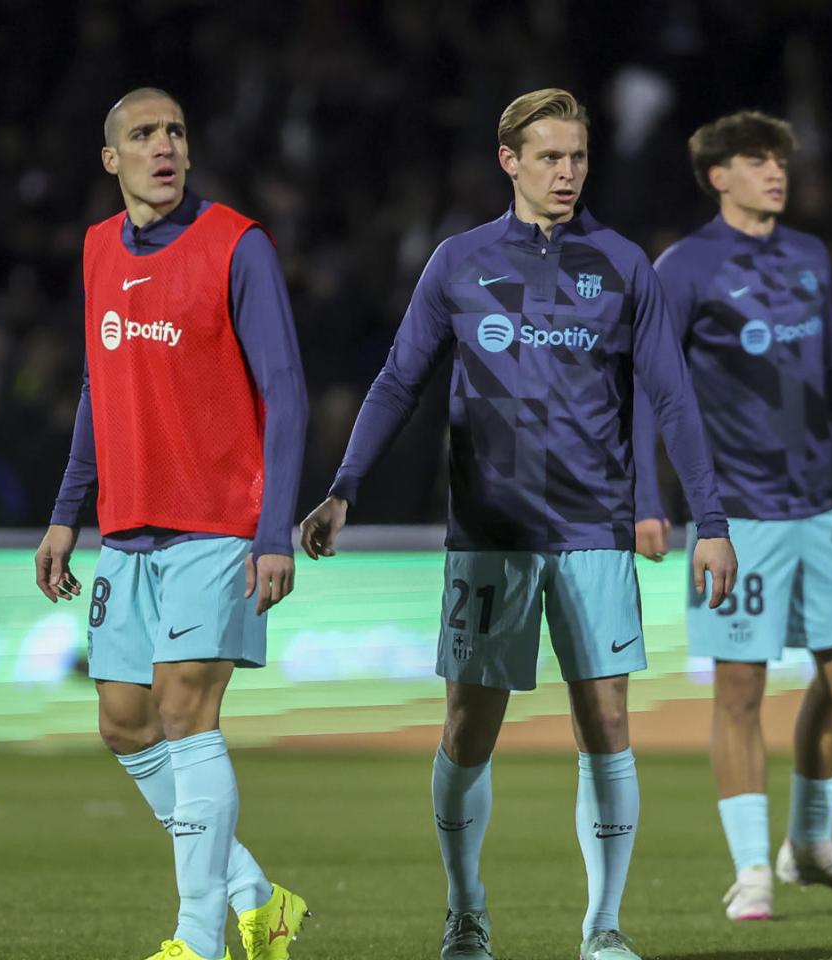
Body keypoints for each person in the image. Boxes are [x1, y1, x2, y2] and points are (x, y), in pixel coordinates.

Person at [298, 88, 738, 960]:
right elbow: (398, 380)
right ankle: (466, 910)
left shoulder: (623, 264)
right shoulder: (459, 261)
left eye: (578, 157)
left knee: (606, 720)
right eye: (549, 157)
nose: (567, 172)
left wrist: (711, 519)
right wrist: (344, 486)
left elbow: (673, 398)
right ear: (509, 161)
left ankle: (604, 925)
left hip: (594, 527)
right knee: (468, 728)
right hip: (491, 530)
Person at [32, 87, 311, 960]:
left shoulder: (238, 245)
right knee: (124, 721)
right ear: (111, 159)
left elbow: (287, 393)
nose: (164, 147)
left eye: (176, 133)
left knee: (187, 713)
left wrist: (273, 532)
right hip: (126, 525)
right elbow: (97, 386)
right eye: (144, 134)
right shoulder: (96, 250)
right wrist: (66, 515)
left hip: (217, 523)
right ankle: (257, 897)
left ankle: (198, 939)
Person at [630, 110, 832, 923]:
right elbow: (651, 387)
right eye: (757, 161)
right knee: (740, 686)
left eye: (779, 159)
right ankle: (752, 868)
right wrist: (647, 498)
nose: (776, 172)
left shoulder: (810, 255)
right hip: (736, 515)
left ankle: (810, 846)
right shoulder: (684, 267)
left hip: (817, 505)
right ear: (719, 176)